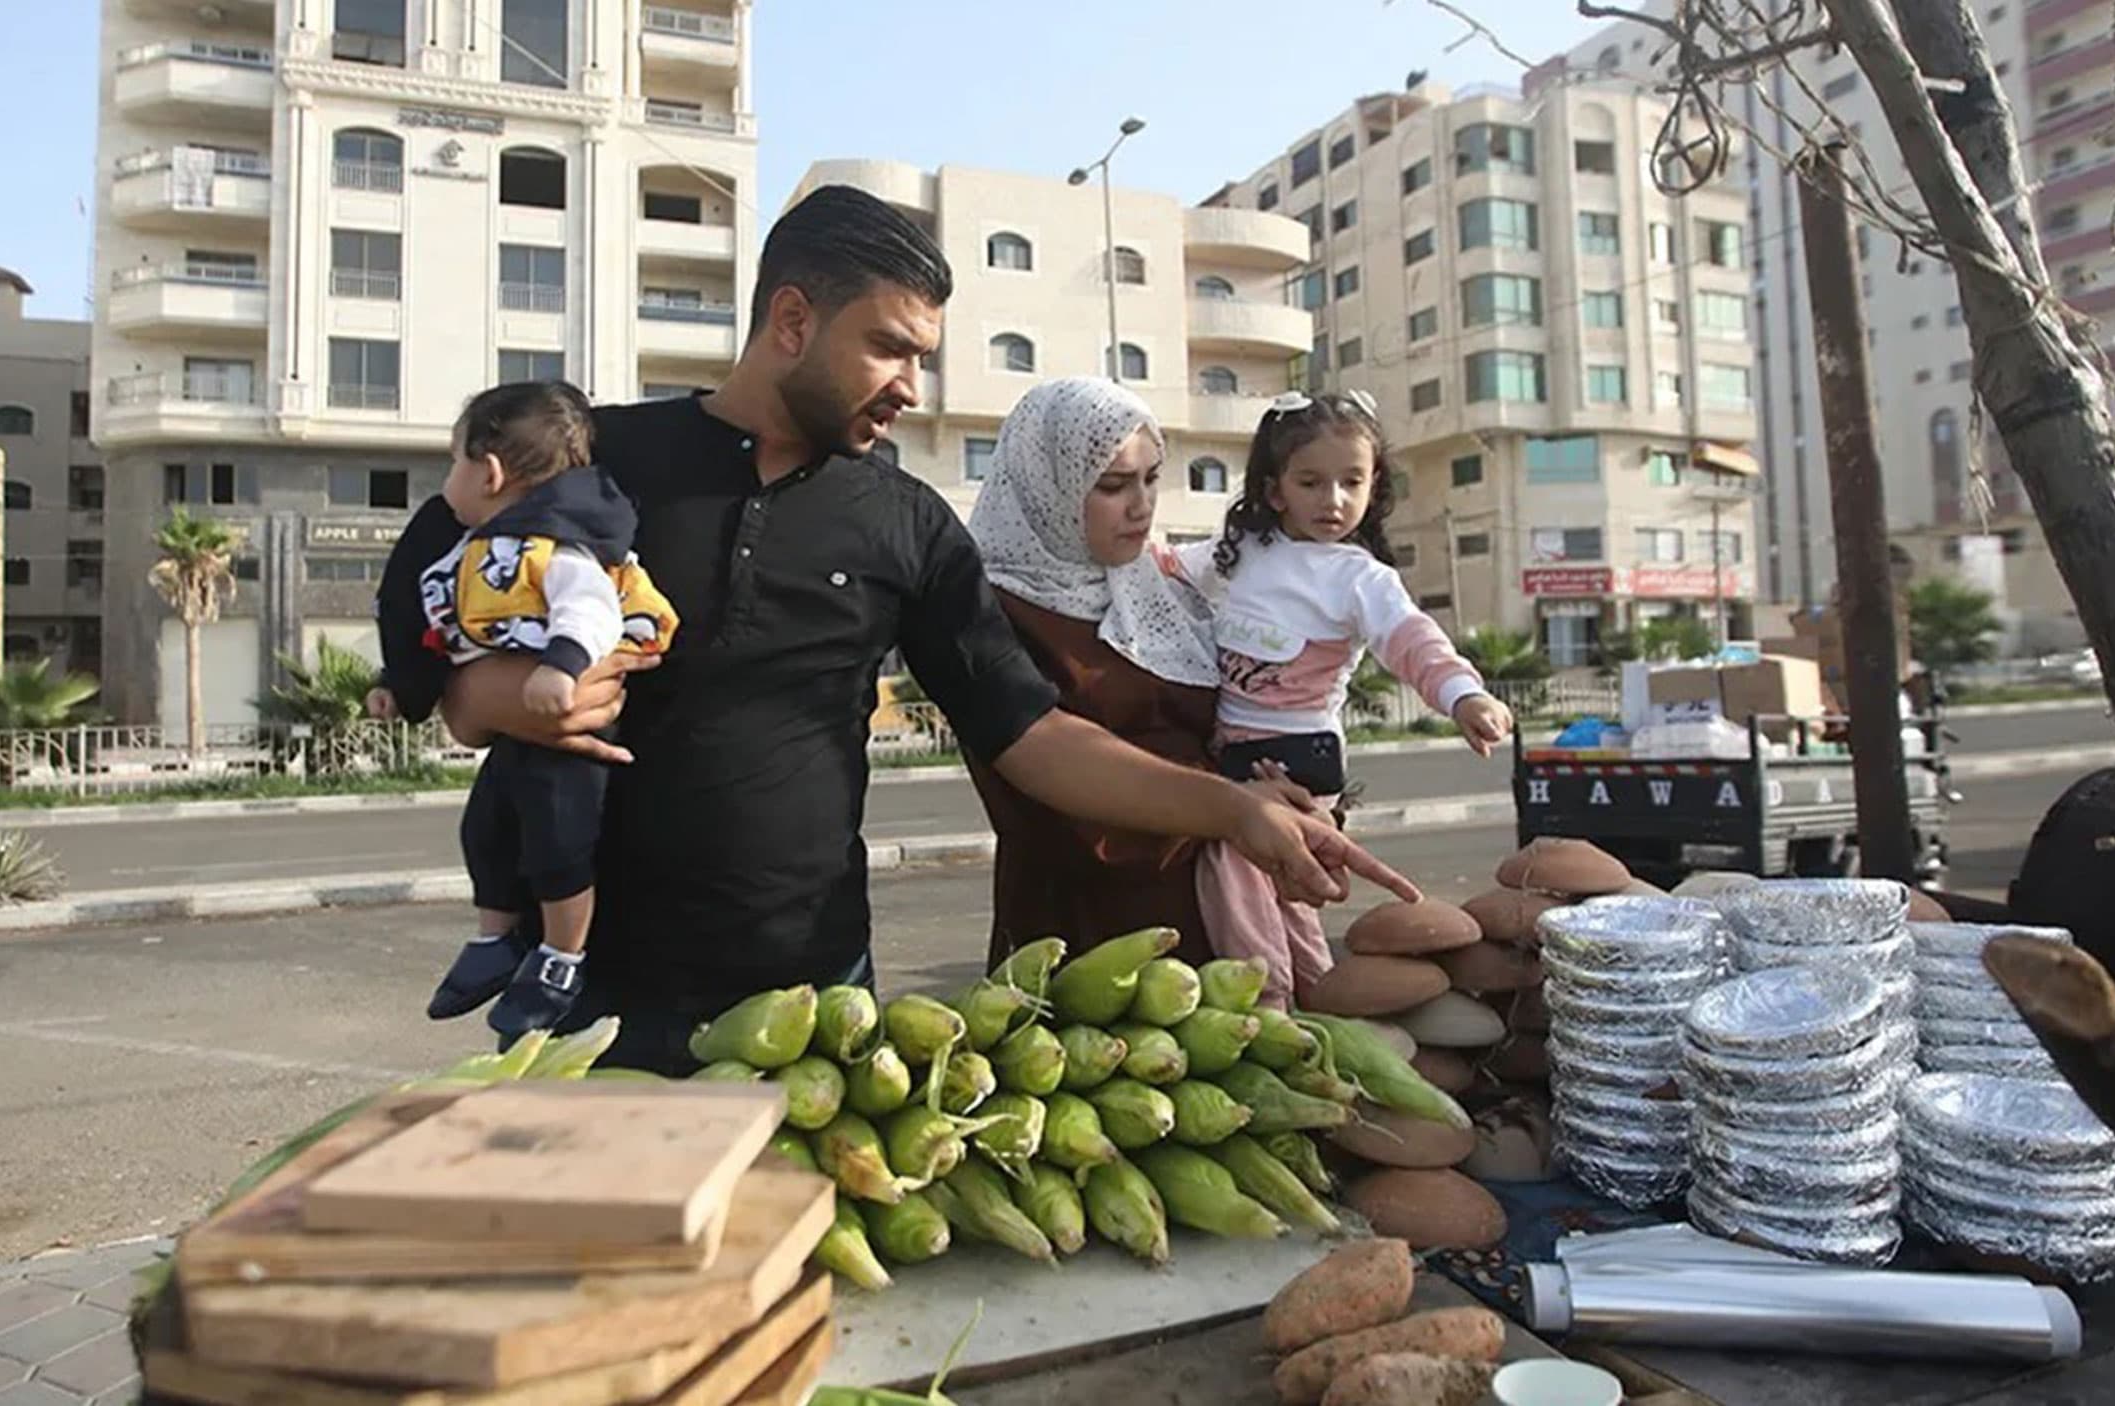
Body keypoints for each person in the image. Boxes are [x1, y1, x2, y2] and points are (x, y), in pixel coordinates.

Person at [383, 185, 1419, 1071]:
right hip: (591, 988)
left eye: (921, 354)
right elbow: (430, 613)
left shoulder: (908, 521)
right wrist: (480, 699)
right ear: (791, 319)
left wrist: (1230, 811)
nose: (909, 386)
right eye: (887, 347)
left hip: (813, 995)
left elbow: (1032, 732)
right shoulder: (592, 455)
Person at [1171, 391, 1515, 1007]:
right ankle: (1327, 997)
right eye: (1311, 482)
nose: (1333, 500)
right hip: (1228, 750)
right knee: (1292, 885)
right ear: (1275, 491)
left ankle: (1265, 1004)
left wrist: (1463, 695)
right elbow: (1164, 568)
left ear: (1373, 486)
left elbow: (1413, 640)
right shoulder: (1239, 554)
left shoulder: (1362, 578)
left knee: (1237, 868)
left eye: (1350, 482)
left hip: (1298, 753)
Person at [367, 382, 680, 1042]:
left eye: (453, 463)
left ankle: (561, 959)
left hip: (573, 733)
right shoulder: (477, 549)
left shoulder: (555, 543)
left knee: (558, 847)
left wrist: (561, 664)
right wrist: (399, 682)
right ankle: (495, 940)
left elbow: (591, 607)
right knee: (486, 830)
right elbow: (441, 628)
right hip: (518, 735)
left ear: (490, 472)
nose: (446, 483)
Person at [965, 376, 1270, 968]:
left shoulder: (1158, 589)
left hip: (1211, 912)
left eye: (1152, 478)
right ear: (1046, 488)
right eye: (1112, 485)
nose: (1142, 505)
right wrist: (1233, 805)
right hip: (1085, 934)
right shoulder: (994, 611)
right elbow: (1057, 796)